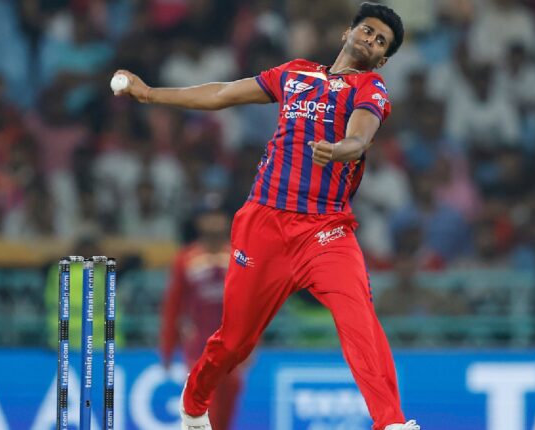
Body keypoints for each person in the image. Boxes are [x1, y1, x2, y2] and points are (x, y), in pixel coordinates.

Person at [114, 3, 419, 429]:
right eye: (367, 31)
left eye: (381, 41)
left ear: (383, 59)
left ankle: (390, 422)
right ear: (347, 33)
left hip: (325, 230)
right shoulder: (295, 73)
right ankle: (194, 401)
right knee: (235, 342)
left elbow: (361, 136)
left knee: (359, 319)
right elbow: (223, 93)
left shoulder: (371, 87)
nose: (370, 40)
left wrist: (340, 150)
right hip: (264, 225)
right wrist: (149, 94)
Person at [159, 205, 243, 430]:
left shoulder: (239, 255)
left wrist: (253, 344)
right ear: (199, 222)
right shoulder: (186, 259)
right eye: (208, 217)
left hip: (233, 345)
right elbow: (173, 306)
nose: (214, 222)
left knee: (227, 405)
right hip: (198, 346)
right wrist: (167, 348)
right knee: (205, 404)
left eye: (218, 217)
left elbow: (251, 302)